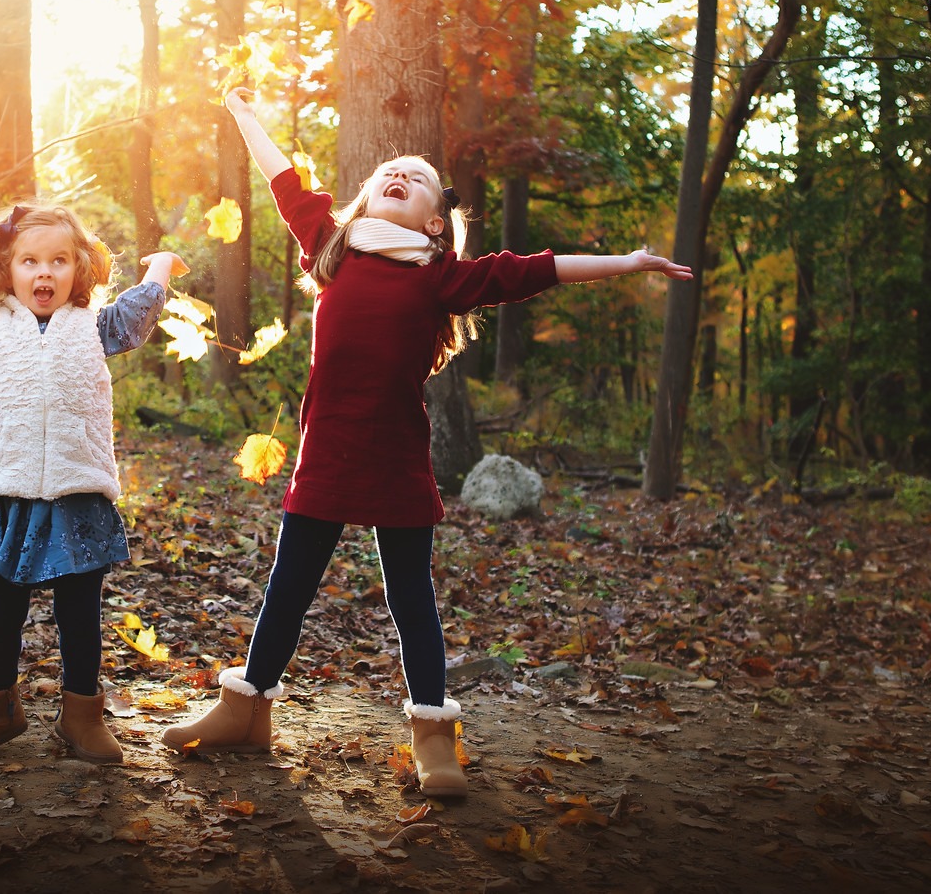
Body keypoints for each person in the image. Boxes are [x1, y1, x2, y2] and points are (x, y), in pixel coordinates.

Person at [159, 89, 692, 797]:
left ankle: (434, 735)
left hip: (397, 460)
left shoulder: (441, 277)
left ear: (435, 222)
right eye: (387, 173)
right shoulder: (332, 244)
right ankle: (245, 708)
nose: (397, 174)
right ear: (365, 197)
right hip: (326, 452)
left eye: (415, 178)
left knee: (412, 599)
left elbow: (532, 269)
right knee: (288, 588)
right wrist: (245, 116)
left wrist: (625, 261)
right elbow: (283, 180)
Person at [0, 203, 187, 764]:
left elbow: (135, 316)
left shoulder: (92, 326)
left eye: (59, 261)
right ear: (7, 269)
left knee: (79, 611)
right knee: (1, 608)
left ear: (77, 269)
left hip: (76, 490)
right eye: (30, 261)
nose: (44, 273)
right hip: (10, 491)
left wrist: (159, 270)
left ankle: (81, 716)